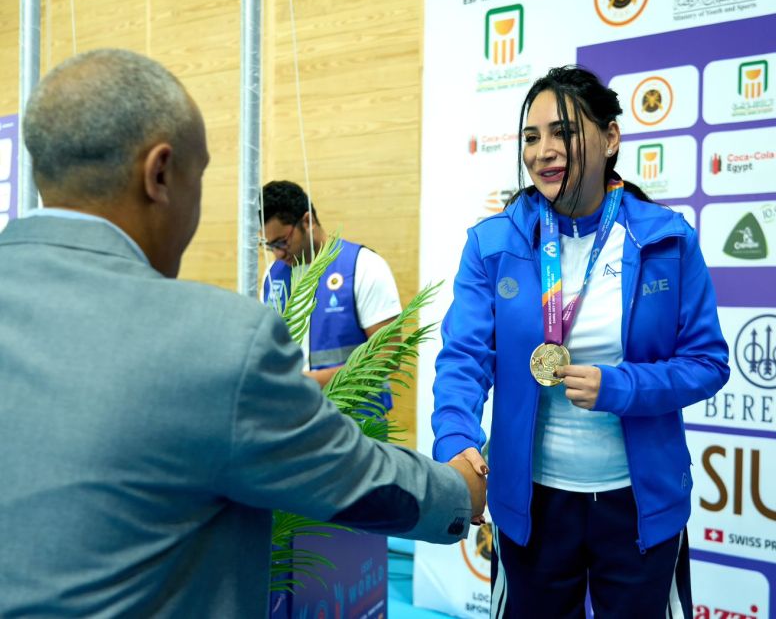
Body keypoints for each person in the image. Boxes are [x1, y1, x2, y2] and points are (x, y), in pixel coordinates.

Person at [0, 48, 484, 617]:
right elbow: (351, 479)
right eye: (200, 175)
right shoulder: (218, 339)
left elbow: (388, 349)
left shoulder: (360, 266)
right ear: (160, 174)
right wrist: (459, 490)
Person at [430, 66, 730, 618]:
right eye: (531, 136)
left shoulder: (665, 239)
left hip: (639, 504)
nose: (543, 151)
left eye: (563, 132)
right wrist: (455, 438)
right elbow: (464, 357)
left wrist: (621, 387)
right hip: (531, 504)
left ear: (610, 138)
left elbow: (707, 362)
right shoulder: (493, 244)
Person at [261, 181, 400, 409]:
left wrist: (306, 383)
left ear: (307, 221)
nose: (278, 254)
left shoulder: (363, 266)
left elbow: (389, 357)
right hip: (292, 417)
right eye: (270, 246)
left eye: (282, 242)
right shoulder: (272, 276)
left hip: (355, 417)